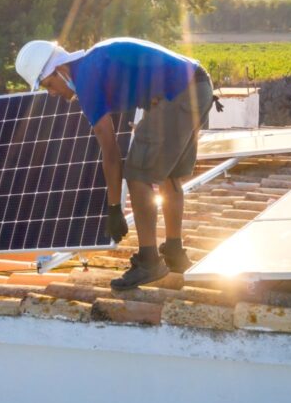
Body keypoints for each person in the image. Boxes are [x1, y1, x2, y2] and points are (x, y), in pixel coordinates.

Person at [15, 37, 214, 290]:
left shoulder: (86, 79)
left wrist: (113, 208)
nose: (51, 92)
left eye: (48, 84)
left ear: (59, 70)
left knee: (137, 174)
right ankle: (174, 252)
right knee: (169, 173)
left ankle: (149, 261)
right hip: (198, 86)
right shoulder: (93, 63)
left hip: (181, 93)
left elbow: (110, 151)